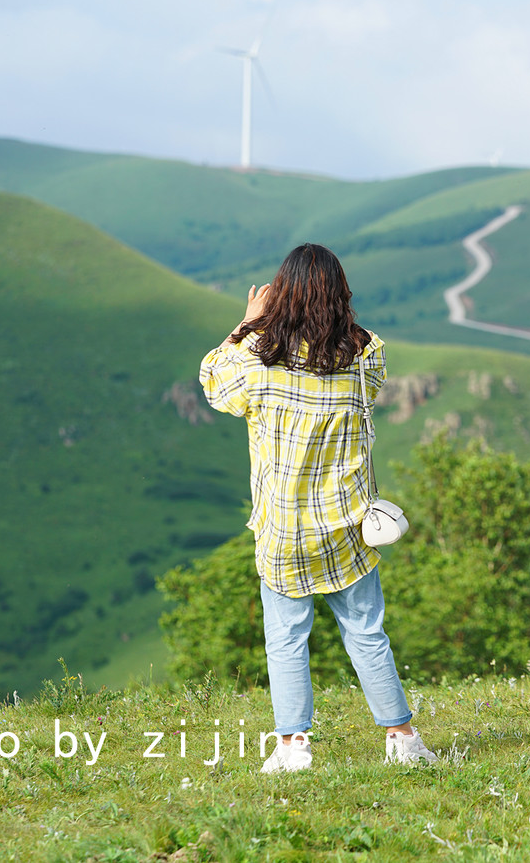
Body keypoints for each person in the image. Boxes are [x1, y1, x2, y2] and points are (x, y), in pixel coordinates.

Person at [198, 243, 437, 773]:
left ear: (281, 294)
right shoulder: (363, 354)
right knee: (367, 632)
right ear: (340, 293)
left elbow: (213, 384)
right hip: (346, 526)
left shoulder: (258, 363)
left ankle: (293, 747)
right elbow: (369, 384)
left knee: (285, 639)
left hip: (282, 527)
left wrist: (244, 326)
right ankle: (403, 739)